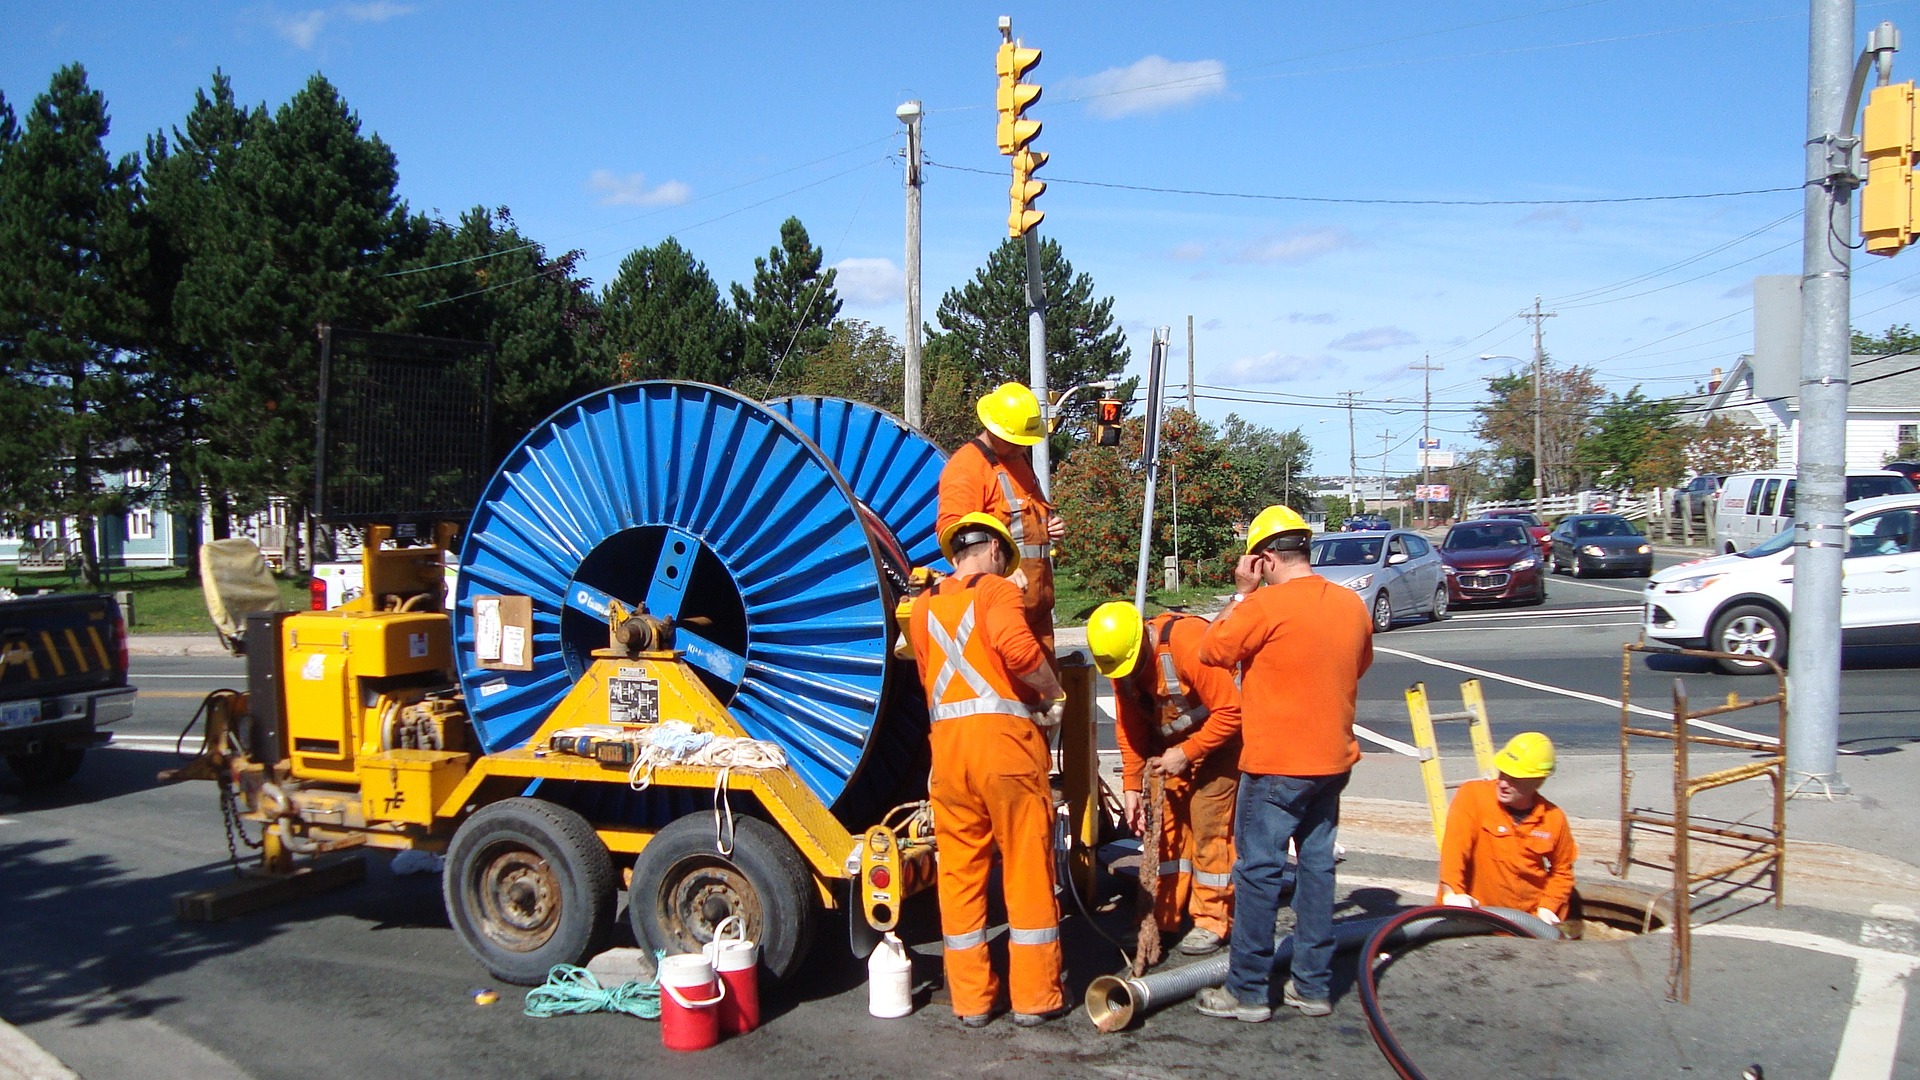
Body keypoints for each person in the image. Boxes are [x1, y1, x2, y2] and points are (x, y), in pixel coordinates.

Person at [1192, 505, 1373, 1023]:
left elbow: (1212, 650)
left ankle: (1248, 990)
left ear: (1266, 559)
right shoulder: (1349, 605)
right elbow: (1358, 662)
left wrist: (1242, 592)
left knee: (1259, 872)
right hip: (1331, 762)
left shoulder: (1263, 607)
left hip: (1276, 766)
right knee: (1316, 870)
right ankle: (1311, 987)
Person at [906, 511, 1068, 1028]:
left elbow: (932, 680)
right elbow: (1019, 652)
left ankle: (972, 1001)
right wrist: (1051, 691)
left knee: (959, 876)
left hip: (948, 758)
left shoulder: (922, 606)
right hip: (1004, 752)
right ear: (996, 551)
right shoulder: (997, 592)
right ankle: (1035, 997)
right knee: (1025, 866)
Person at [1088, 601, 1243, 956]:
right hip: (1170, 750)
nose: (1128, 674)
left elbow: (1232, 711)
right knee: (1167, 834)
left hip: (1219, 744)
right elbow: (1130, 730)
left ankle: (1210, 919)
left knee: (1209, 827)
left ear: (1144, 637)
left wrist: (1187, 753)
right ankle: (1164, 915)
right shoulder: (1121, 663)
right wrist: (1130, 787)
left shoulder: (1187, 642)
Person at [937, 381, 1064, 662]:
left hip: (1038, 608)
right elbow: (953, 534)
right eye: (1016, 441)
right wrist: (1000, 574)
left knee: (1046, 693)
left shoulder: (1019, 460)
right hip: (1002, 609)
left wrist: (1051, 524)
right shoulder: (966, 468)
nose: (1022, 447)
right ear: (995, 429)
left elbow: (1033, 513)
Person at [1437, 732, 1578, 928]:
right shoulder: (1473, 797)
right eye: (1503, 773)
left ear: (1538, 780)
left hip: (1524, 927)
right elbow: (1454, 851)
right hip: (1470, 921)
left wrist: (1548, 907)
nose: (1503, 783)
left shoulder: (1553, 819)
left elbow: (1562, 871)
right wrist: (1453, 894)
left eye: (1515, 779)